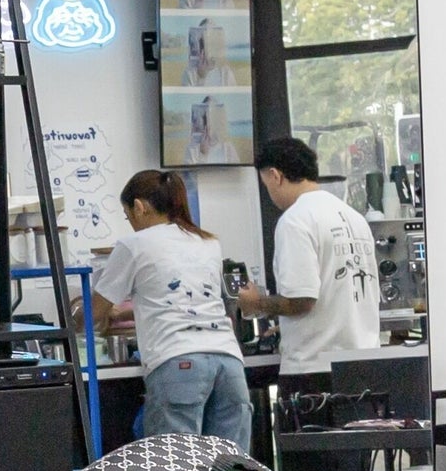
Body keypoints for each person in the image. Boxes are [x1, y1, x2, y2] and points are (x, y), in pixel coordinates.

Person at [91, 168, 247, 449]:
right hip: (229, 363)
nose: (131, 224)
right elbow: (183, 302)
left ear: (139, 207)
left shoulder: (134, 244)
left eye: (129, 217)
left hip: (178, 362)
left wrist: (75, 315)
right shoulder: (207, 241)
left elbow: (94, 313)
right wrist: (126, 313)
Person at [240, 134, 381, 378]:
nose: (270, 194)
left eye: (266, 185)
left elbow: (301, 300)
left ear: (276, 175)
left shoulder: (295, 220)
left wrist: (256, 303)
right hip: (364, 364)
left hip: (314, 370)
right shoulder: (354, 217)